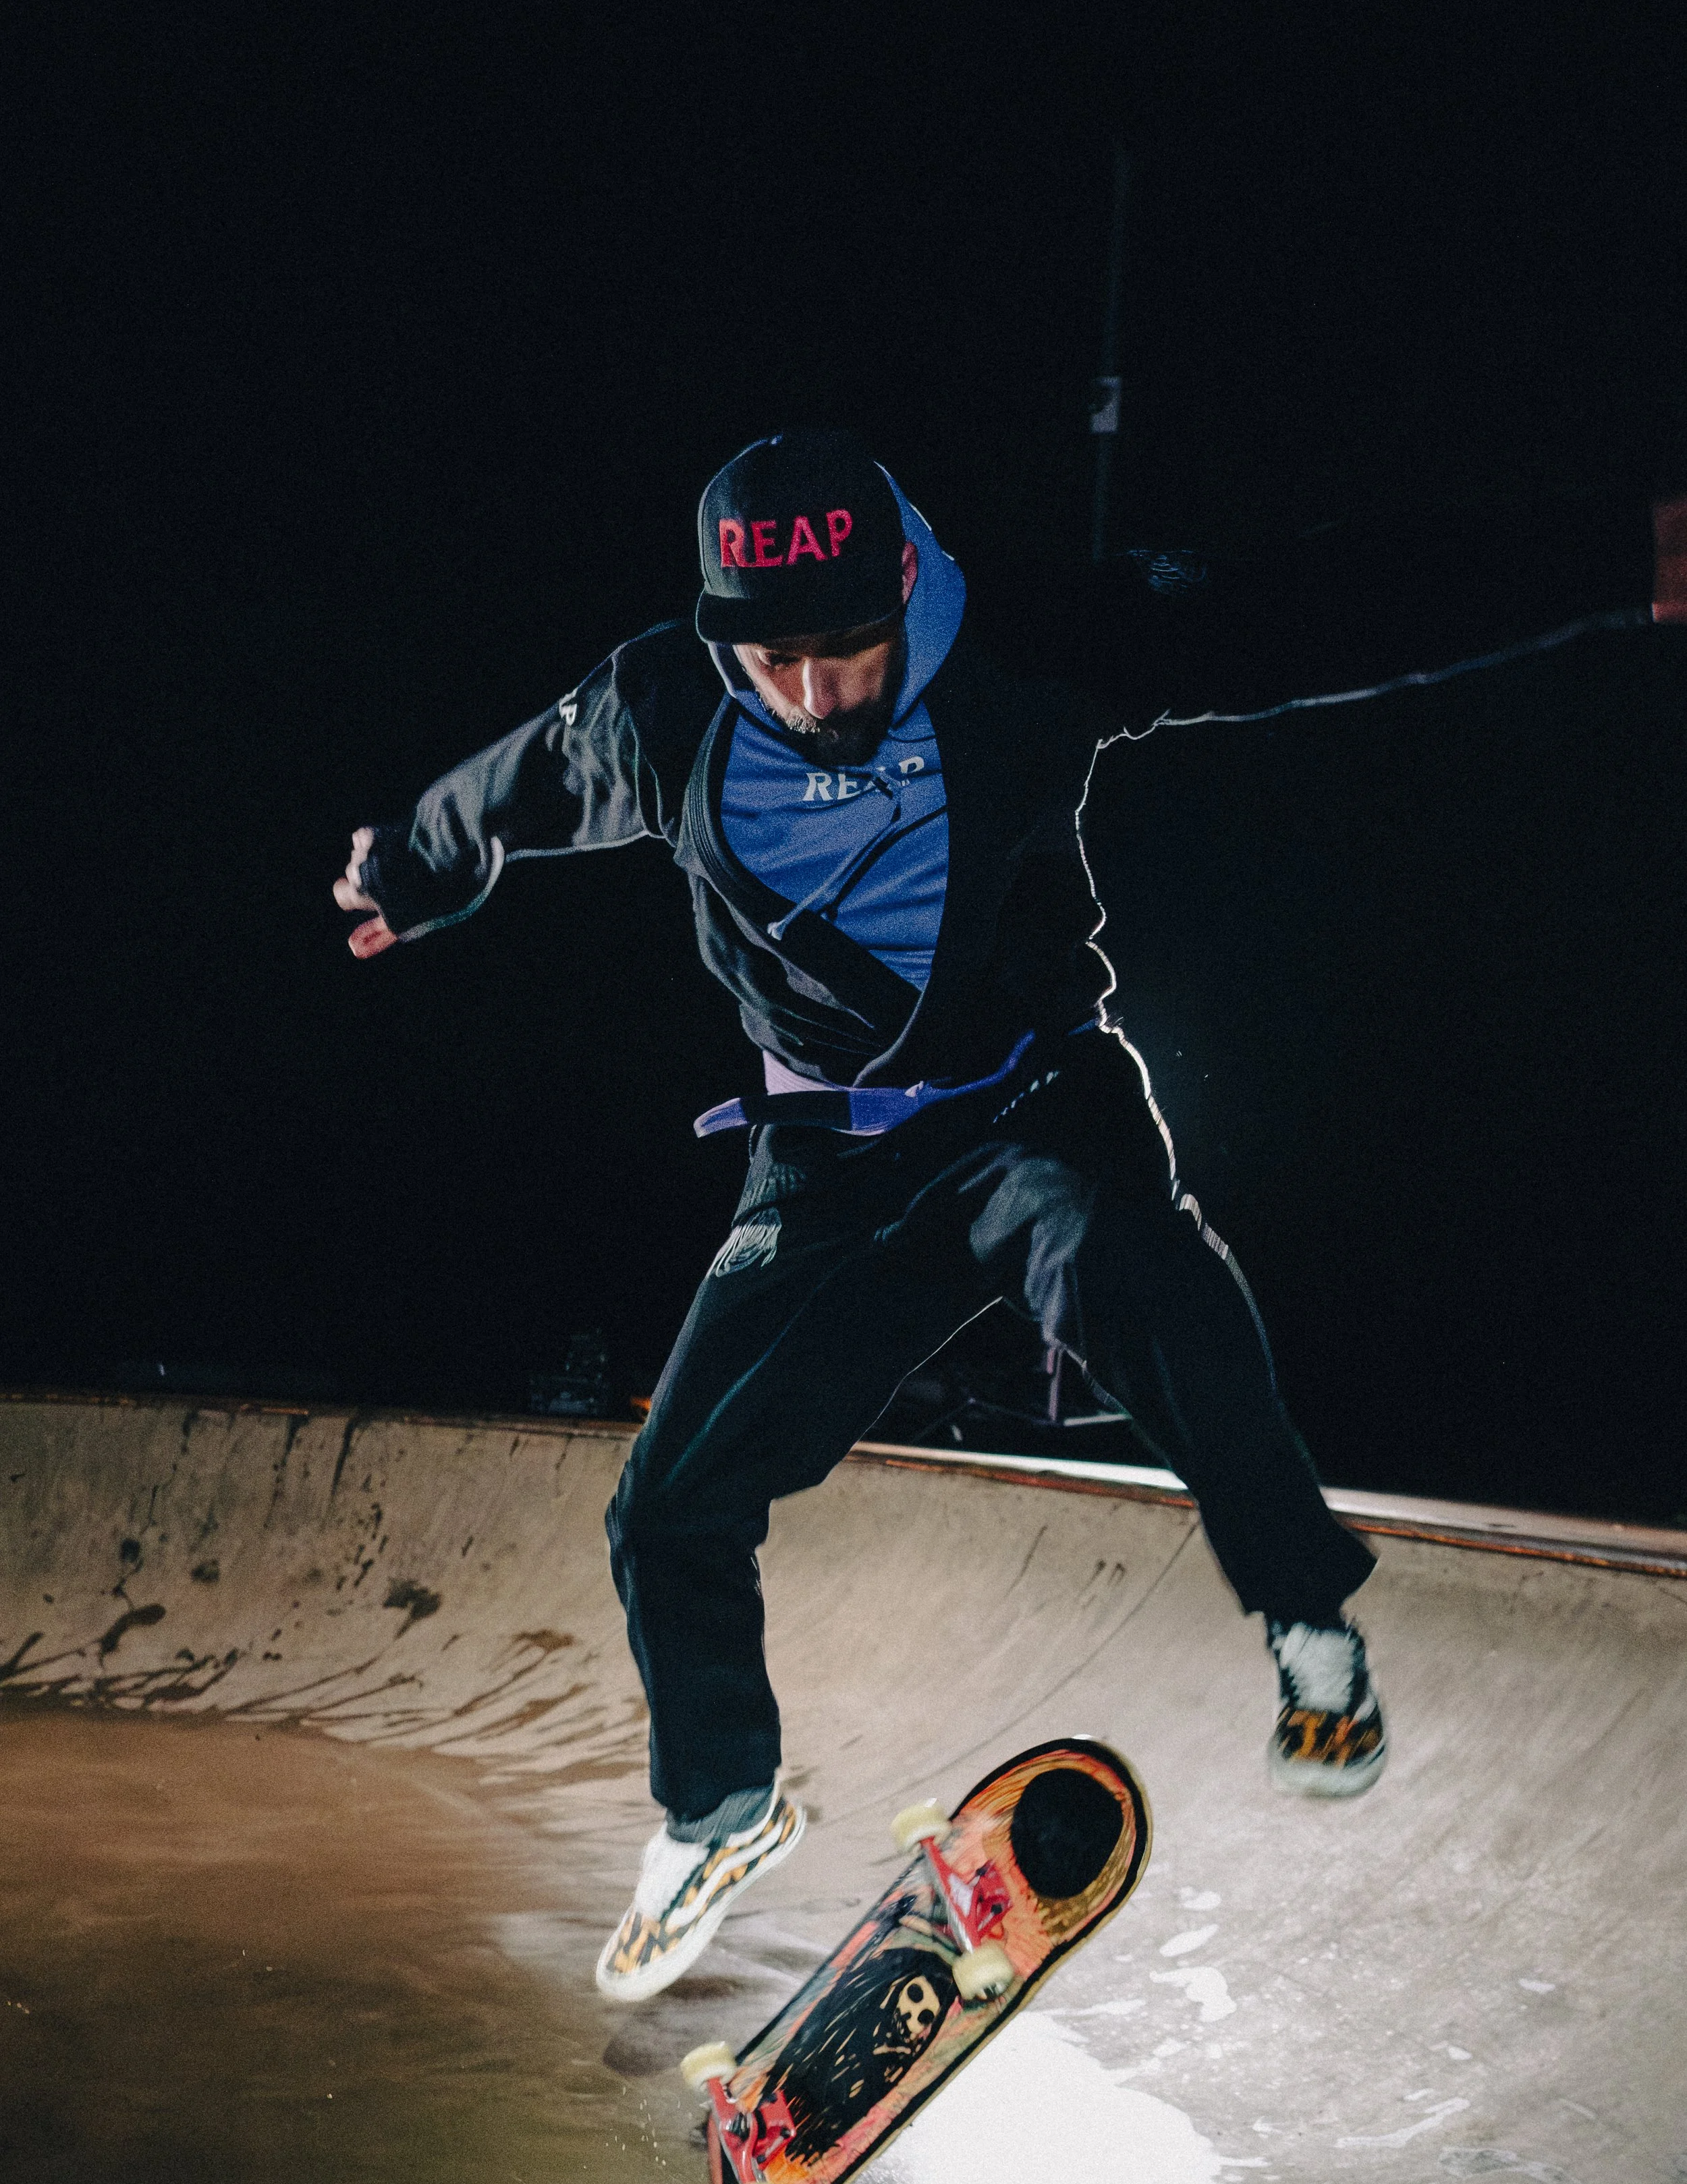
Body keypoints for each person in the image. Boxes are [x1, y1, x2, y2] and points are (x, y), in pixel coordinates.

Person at [337, 428, 1684, 2003]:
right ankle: (717, 1811)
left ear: (906, 586)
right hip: (824, 1169)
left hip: (1029, 1109)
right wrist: (418, 875)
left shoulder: (1033, 647)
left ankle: (1308, 1626)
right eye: (778, 666)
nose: (818, 699)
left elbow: (1308, 609)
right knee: (667, 1507)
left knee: (1146, 1285)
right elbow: (506, 787)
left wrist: (1609, 561)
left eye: (848, 656)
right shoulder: (660, 708)